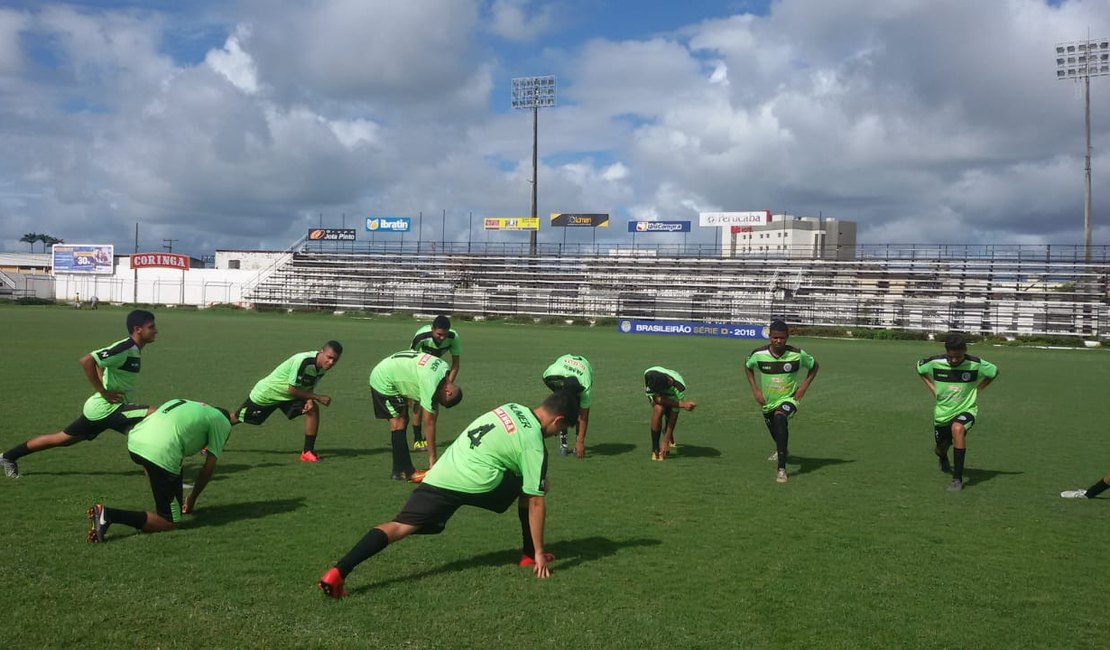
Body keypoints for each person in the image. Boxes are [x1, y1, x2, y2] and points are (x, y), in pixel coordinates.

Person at [318, 391, 580, 598]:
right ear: (557, 420)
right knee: (538, 485)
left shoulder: (512, 407)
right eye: (562, 429)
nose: (558, 433)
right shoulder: (534, 444)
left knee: (399, 526)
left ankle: (337, 572)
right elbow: (535, 502)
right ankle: (528, 554)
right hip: (478, 482)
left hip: (444, 471)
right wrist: (540, 552)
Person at [0, 309, 158, 479]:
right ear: (137, 329)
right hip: (106, 408)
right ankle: (159, 478)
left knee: (62, 439)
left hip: (107, 409)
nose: (156, 330)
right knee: (153, 416)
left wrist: (105, 386)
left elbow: (100, 363)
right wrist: (103, 392)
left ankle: (8, 456)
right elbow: (88, 360)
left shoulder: (134, 350)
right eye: (151, 327)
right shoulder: (125, 347)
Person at [86, 399, 233, 543]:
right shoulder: (223, 422)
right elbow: (208, 468)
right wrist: (192, 499)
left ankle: (162, 503)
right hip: (160, 452)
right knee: (169, 523)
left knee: (160, 466)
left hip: (136, 442)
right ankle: (109, 515)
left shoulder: (187, 403)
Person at [916, 333, 999, 492]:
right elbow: (919, 368)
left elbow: (994, 372)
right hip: (942, 414)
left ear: (965, 351)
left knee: (958, 428)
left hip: (966, 409)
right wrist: (933, 388)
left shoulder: (975, 363)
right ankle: (942, 457)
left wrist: (977, 389)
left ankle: (957, 479)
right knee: (940, 448)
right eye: (950, 357)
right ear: (946, 352)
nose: (954, 360)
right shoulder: (935, 362)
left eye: (958, 357)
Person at [235, 341, 342, 462]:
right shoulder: (304, 361)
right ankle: (214, 428)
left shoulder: (322, 366)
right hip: (268, 394)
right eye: (329, 357)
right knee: (237, 418)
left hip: (288, 397)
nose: (331, 362)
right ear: (321, 351)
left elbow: (308, 384)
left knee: (313, 409)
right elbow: (292, 390)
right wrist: (317, 397)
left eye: (335, 360)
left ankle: (307, 451)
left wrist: (310, 399)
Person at [369, 350, 463, 481]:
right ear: (448, 392)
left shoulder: (443, 367)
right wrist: (433, 459)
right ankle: (407, 472)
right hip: (383, 379)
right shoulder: (431, 384)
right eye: (440, 400)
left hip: (392, 369)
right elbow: (429, 423)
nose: (437, 401)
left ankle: (398, 472)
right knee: (398, 424)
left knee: (402, 421)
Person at [744, 320, 819, 484]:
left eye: (782, 338)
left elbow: (814, 366)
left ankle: (781, 469)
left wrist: (803, 388)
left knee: (780, 418)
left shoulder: (797, 354)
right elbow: (747, 367)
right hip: (768, 401)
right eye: (775, 337)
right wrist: (755, 390)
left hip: (789, 398)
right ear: (769, 336)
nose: (779, 341)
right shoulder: (758, 355)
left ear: (788, 337)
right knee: (775, 429)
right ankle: (782, 449)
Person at [408, 315, 461, 451]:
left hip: (434, 370)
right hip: (418, 369)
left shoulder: (453, 337)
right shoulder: (421, 337)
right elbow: (409, 360)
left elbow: (455, 364)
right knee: (418, 403)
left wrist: (447, 384)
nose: (442, 338)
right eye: (438, 334)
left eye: (445, 334)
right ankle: (417, 439)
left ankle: (427, 438)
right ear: (432, 329)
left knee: (434, 404)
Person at [541, 354, 593, 458]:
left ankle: (577, 444)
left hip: (584, 366)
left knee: (578, 411)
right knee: (562, 408)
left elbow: (584, 416)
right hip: (562, 368)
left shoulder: (585, 386)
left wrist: (580, 442)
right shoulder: (550, 375)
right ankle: (563, 444)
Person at [644, 366, 697, 461]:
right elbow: (657, 399)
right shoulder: (649, 376)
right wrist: (682, 404)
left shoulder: (679, 387)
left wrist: (665, 440)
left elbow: (674, 415)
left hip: (673, 393)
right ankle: (655, 449)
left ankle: (667, 433)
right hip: (657, 389)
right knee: (658, 408)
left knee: (669, 413)